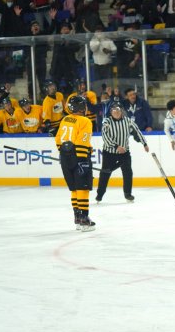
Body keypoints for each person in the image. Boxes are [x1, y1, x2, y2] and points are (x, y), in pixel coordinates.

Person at [55, 95, 95, 231]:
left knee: (73, 189)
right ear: (81, 107)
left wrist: (66, 154)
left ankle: (77, 218)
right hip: (80, 157)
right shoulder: (85, 121)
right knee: (82, 188)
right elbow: (81, 142)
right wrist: (83, 158)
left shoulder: (65, 119)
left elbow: (58, 139)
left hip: (65, 159)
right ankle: (84, 220)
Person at [96, 102, 149, 204]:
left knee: (128, 172)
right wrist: (116, 146)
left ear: (121, 111)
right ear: (111, 112)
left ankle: (128, 194)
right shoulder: (106, 122)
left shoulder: (128, 121)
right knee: (105, 173)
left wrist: (144, 143)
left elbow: (137, 131)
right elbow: (105, 136)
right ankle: (100, 194)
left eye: (118, 110)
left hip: (124, 153)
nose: (116, 112)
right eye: (114, 111)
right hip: (109, 153)